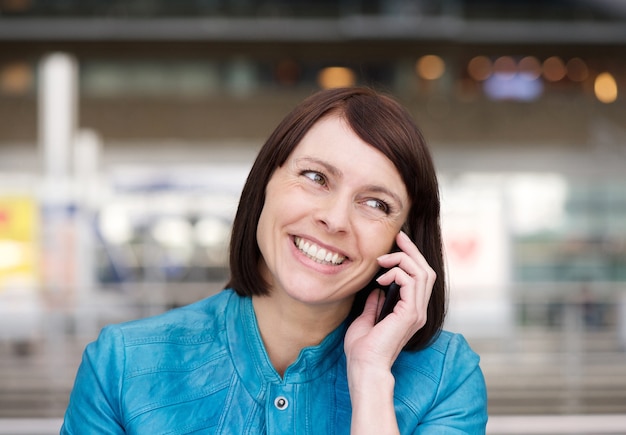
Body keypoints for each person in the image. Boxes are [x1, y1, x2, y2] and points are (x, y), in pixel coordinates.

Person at [61, 87, 488, 434]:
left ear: (404, 242)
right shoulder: (120, 366)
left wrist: (372, 378)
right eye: (316, 177)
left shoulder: (446, 379)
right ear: (265, 182)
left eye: (375, 203)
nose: (335, 219)